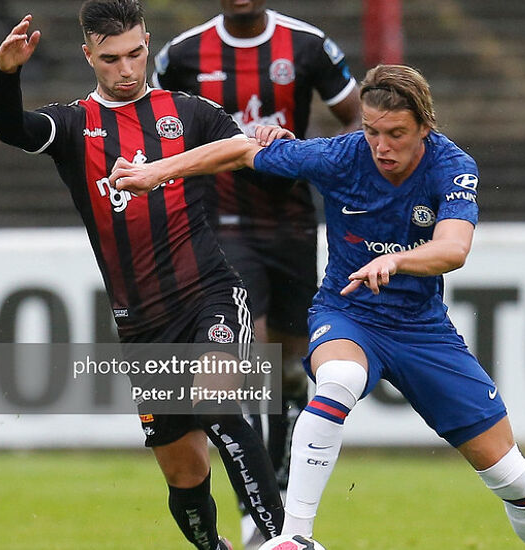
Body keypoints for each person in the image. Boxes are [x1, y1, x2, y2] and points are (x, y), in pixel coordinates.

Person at [108, 63, 525, 549]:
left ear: (425, 127)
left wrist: (397, 261)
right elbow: (244, 150)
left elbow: (453, 249)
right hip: (347, 312)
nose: (381, 147)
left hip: (422, 330)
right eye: (371, 131)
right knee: (341, 379)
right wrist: (154, 172)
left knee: (513, 479)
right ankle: (295, 538)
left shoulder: (453, 167)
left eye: (396, 134)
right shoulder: (341, 156)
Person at [0, 2, 284, 549]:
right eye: (110, 59)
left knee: (217, 401)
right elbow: (13, 129)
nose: (126, 70)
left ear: (147, 42)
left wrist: (265, 139)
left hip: (208, 295)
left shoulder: (189, 112)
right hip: (142, 325)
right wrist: (7, 74)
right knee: (183, 470)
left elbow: (244, 148)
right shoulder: (74, 124)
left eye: (135, 54)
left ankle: (283, 540)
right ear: (88, 57)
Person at [152, 5, 360, 545]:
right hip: (222, 227)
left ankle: (283, 497)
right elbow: (148, 131)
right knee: (254, 365)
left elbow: (360, 122)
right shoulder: (182, 55)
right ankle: (256, 514)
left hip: (293, 227)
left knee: (292, 371)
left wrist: (315, 163)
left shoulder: (308, 46)